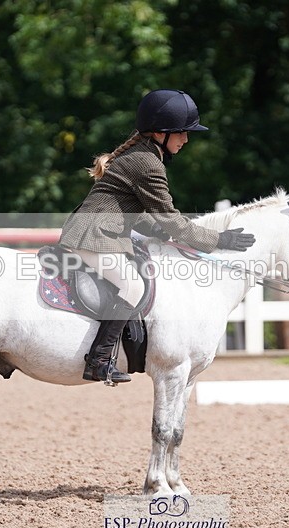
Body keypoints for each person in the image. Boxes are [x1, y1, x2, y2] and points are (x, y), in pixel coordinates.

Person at [59, 89, 256, 383]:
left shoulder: (143, 154)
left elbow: (134, 213)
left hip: (98, 231)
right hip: (93, 236)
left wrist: (160, 231)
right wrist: (219, 240)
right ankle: (98, 361)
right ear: (161, 132)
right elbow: (173, 221)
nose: (186, 139)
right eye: (182, 132)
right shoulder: (148, 163)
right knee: (131, 285)